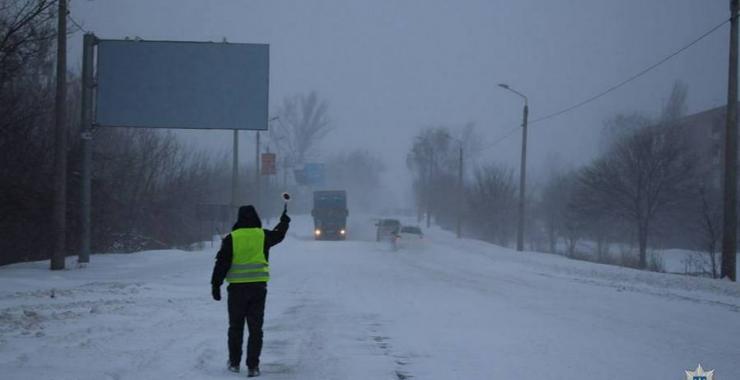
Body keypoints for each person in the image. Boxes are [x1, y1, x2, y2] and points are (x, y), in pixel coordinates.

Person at [211, 205, 290, 377]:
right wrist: (284, 221)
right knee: (256, 329)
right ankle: (253, 366)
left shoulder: (232, 238)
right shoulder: (262, 235)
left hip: (237, 290)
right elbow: (279, 235)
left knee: (235, 327)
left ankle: (234, 363)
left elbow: (222, 263)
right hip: (258, 289)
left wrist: (215, 285)